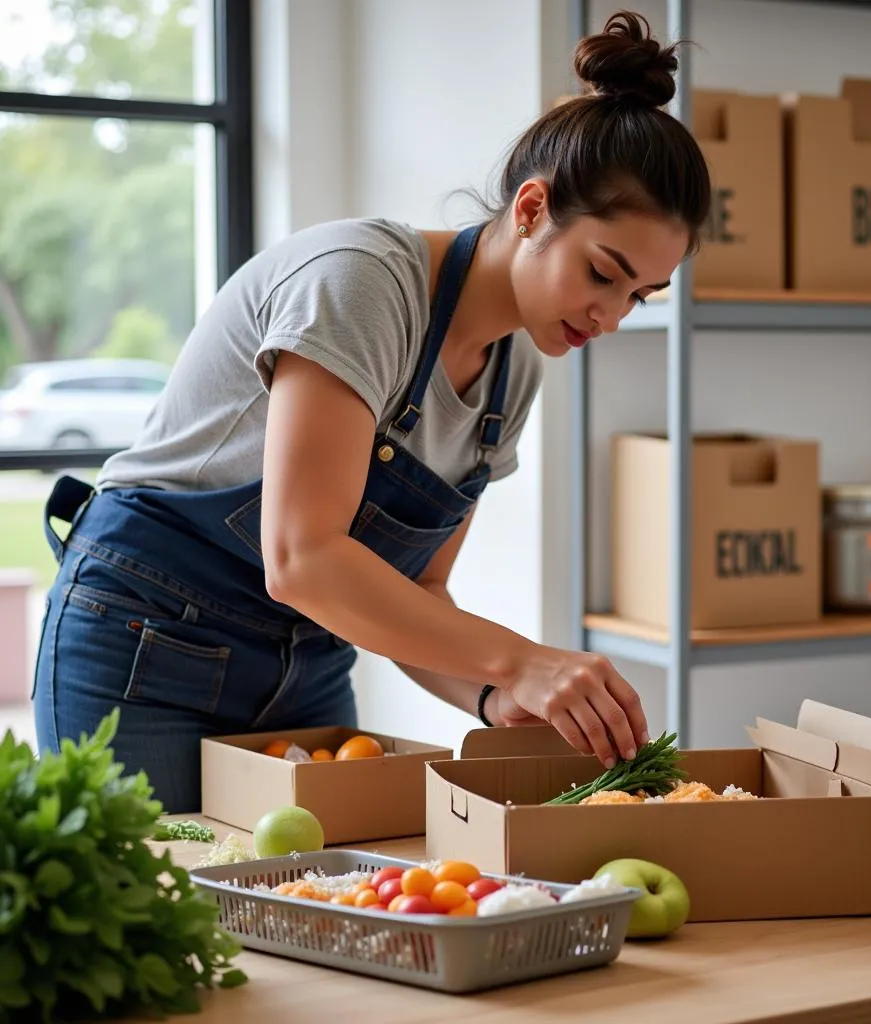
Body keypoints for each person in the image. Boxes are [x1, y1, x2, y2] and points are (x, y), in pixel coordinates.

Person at [32, 10, 711, 813]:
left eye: (639, 296)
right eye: (604, 273)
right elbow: (304, 557)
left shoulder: (515, 371)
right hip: (146, 643)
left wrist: (497, 700)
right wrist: (521, 659)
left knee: (309, 907)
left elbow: (417, 592)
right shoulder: (362, 283)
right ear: (531, 210)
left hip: (309, 668)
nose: (611, 315)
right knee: (155, 919)